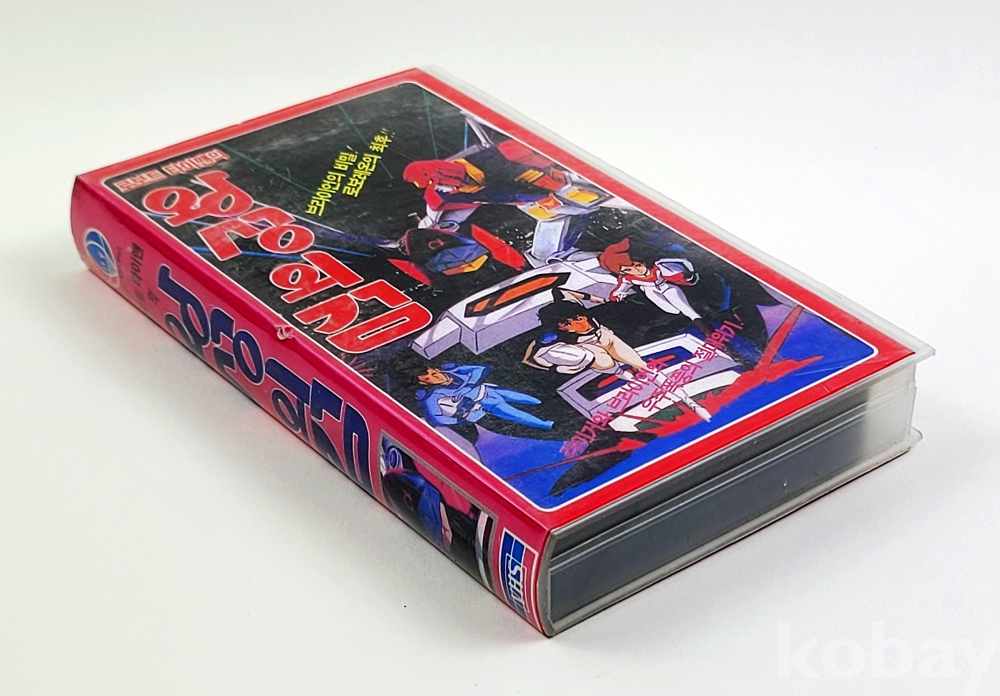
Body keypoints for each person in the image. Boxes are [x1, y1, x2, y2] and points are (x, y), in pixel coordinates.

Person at [597, 238, 716, 339]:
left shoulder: (659, 266)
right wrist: (616, 296)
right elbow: (618, 290)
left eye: (637, 265)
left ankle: (705, 328)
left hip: (666, 287)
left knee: (684, 308)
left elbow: (684, 270)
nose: (636, 270)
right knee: (671, 310)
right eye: (628, 269)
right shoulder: (628, 278)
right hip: (651, 292)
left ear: (642, 260)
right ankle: (687, 318)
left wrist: (683, 276)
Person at [415, 364, 553, 430]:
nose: (435, 378)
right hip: (486, 403)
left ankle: (552, 406)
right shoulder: (433, 396)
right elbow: (436, 418)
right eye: (428, 379)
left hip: (493, 389)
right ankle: (546, 425)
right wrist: (462, 419)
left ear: (436, 369)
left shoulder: (454, 370)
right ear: (423, 383)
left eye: (433, 373)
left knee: (532, 400)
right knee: (517, 415)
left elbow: (480, 368)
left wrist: (469, 386)